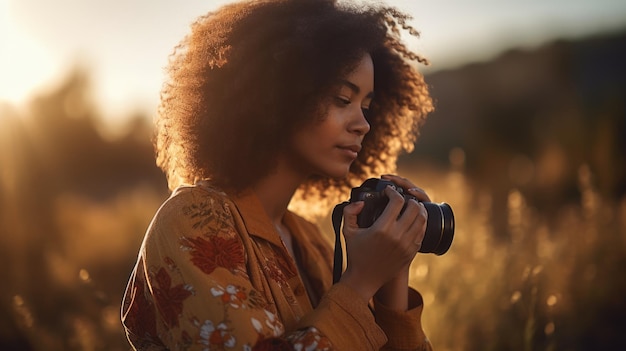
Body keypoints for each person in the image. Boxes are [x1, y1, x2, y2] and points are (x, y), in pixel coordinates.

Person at [121, 0, 436, 349]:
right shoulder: (191, 220)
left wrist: (392, 273)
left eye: (366, 107)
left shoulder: (310, 240)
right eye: (342, 99)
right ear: (277, 95)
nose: (363, 125)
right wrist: (361, 280)